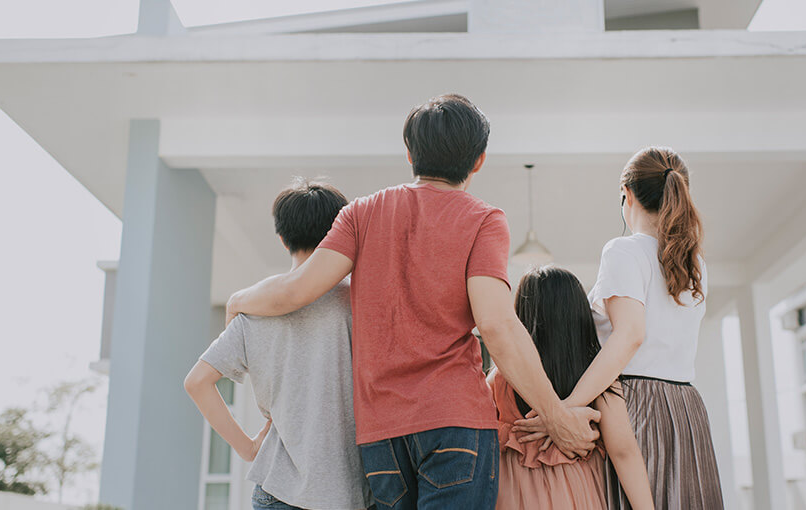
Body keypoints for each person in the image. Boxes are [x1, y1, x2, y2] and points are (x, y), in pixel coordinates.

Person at [223, 94, 599, 509]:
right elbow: (496, 325)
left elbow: (297, 291)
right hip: (455, 424)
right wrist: (557, 418)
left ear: (409, 153)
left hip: (381, 436)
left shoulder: (361, 213)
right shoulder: (483, 220)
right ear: (479, 161)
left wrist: (240, 299)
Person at [517, 146, 723, 509]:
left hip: (637, 406)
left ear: (626, 194)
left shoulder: (623, 251)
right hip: (687, 409)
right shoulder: (695, 264)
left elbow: (629, 336)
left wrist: (563, 410)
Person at [184, 180, 373, 510]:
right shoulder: (359, 303)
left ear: (283, 239)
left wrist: (247, 448)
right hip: (351, 491)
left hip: (277, 489)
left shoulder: (253, 311)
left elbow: (197, 382)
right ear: (339, 233)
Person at [489, 266, 654, 510]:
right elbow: (623, 451)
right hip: (581, 495)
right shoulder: (597, 378)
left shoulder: (502, 378)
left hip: (513, 496)